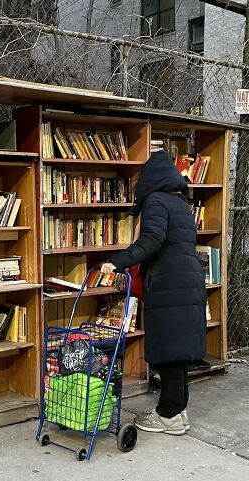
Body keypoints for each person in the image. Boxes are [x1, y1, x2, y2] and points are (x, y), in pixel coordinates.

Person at [100, 148, 206, 436]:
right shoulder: (180, 203)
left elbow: (152, 240)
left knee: (169, 350)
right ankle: (177, 412)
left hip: (170, 283)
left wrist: (116, 262)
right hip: (187, 279)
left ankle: (167, 414)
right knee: (178, 351)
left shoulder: (157, 201)